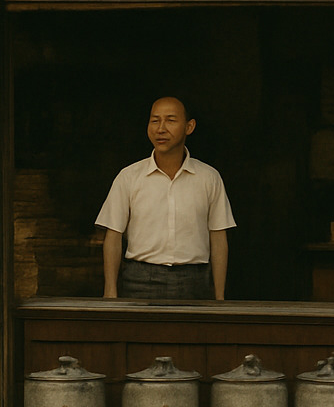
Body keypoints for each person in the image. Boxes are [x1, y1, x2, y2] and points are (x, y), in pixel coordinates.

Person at [96, 96, 235, 301]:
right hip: (139, 281)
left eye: (170, 120)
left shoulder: (209, 178)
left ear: (189, 126)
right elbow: (113, 235)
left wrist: (219, 296)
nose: (161, 128)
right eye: (155, 120)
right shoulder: (129, 177)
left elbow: (218, 238)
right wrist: (110, 292)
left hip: (194, 281)